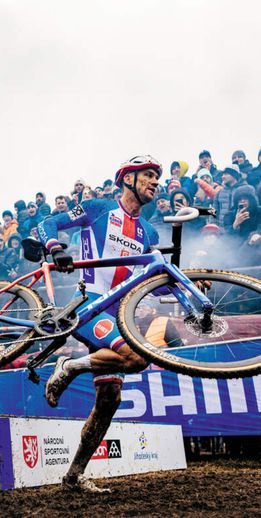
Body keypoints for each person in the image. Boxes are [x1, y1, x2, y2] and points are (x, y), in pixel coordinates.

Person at [37, 155, 162, 492]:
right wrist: (55, 247)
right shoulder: (97, 208)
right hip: (92, 305)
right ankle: (69, 365)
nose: (155, 182)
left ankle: (73, 477)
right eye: (148, 175)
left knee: (109, 400)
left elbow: (153, 279)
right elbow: (48, 223)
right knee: (138, 358)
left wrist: (185, 284)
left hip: (120, 314)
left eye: (157, 178)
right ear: (127, 180)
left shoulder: (148, 231)